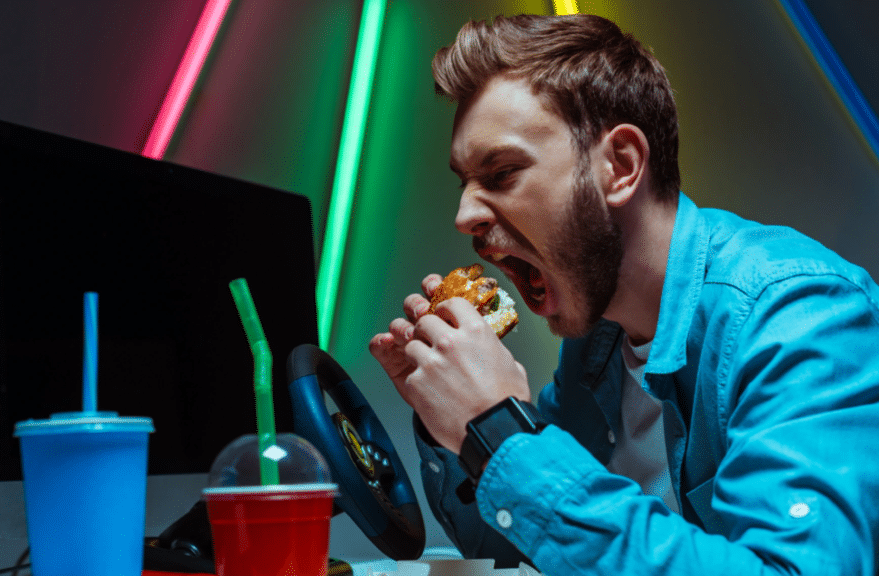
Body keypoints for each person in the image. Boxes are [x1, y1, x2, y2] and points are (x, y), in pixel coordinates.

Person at [369, 13, 879, 575]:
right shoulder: (598, 345)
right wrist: (456, 422)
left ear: (620, 166)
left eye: (502, 173)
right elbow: (515, 546)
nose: (464, 215)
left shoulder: (799, 314)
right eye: (463, 183)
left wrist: (502, 428)